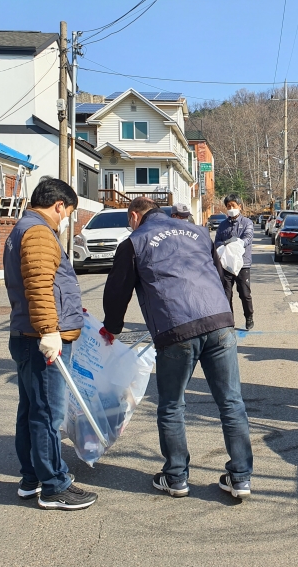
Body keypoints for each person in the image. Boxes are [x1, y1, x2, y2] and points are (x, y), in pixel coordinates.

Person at [102, 197, 253, 500]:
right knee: (231, 402)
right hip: (219, 320)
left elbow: (118, 291)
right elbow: (218, 272)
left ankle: (176, 477)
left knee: (172, 405)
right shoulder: (197, 231)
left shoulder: (134, 242)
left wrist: (112, 328)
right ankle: (240, 478)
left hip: (176, 328)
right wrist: (225, 312)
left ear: (135, 216)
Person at [3, 177, 97, 510]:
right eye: (67, 212)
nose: (66, 219)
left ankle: (31, 479)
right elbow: (40, 285)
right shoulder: (40, 233)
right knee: (48, 414)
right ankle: (55, 485)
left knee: (31, 410)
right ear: (59, 205)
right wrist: (49, 330)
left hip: (29, 336)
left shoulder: (23, 228)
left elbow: (48, 285)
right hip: (41, 340)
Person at [214, 194, 255, 331]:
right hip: (226, 265)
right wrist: (224, 244)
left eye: (233, 205)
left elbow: (247, 238)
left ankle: (249, 317)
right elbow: (217, 241)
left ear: (239, 206)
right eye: (228, 206)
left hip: (243, 264)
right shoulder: (223, 225)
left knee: (244, 293)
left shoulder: (247, 223)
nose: (231, 208)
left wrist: (236, 243)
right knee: (226, 294)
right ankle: (228, 321)